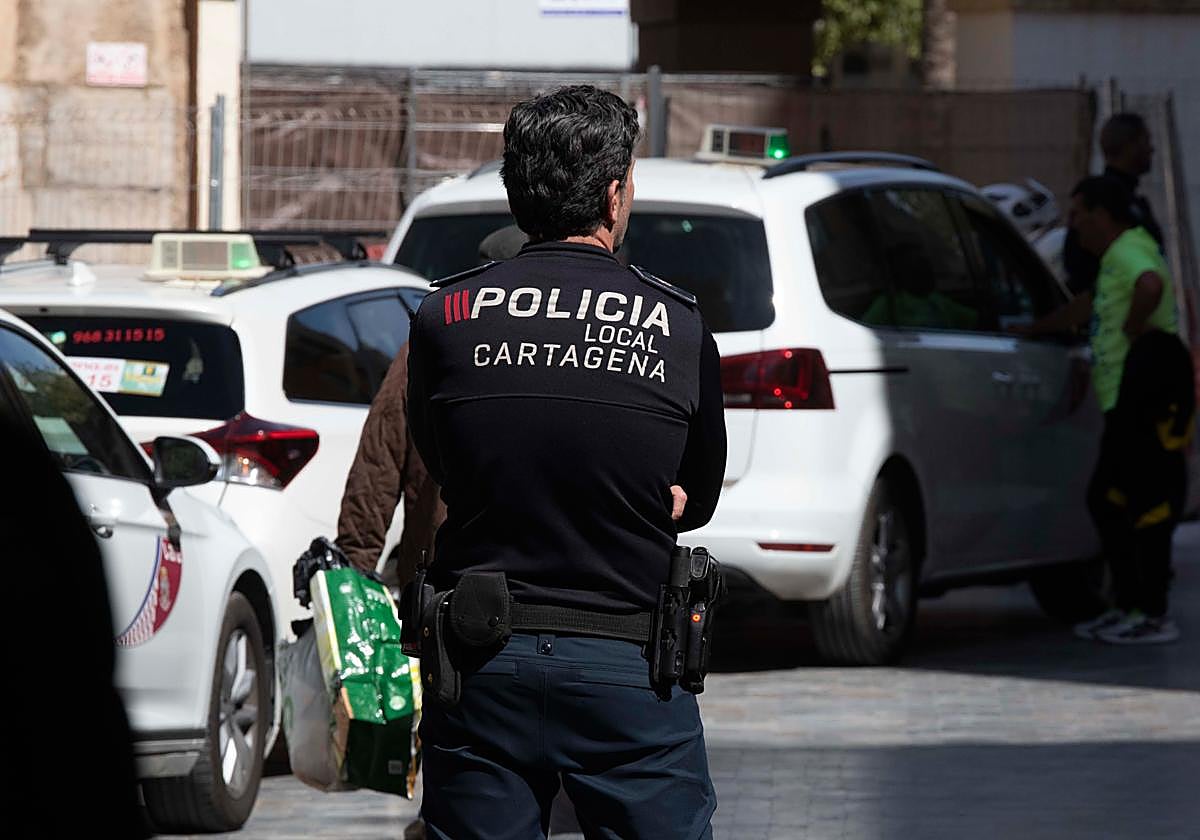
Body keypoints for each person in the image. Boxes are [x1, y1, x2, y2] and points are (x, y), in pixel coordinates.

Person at [406, 85, 727, 839]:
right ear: (614, 194)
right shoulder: (677, 326)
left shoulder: (443, 316)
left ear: (517, 195)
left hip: (482, 665)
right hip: (628, 667)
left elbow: (440, 459)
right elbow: (699, 494)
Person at [1027, 175, 1193, 645]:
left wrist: (1135, 324)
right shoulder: (1116, 258)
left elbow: (1149, 283)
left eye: (1079, 215)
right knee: (1112, 501)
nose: (1074, 226)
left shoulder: (1128, 252)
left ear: (1102, 215)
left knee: (1139, 505)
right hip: (1123, 401)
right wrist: (1036, 327)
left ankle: (1149, 611)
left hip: (1143, 399)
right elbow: (1087, 308)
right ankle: (1128, 604)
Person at [1063, 112, 1165, 296]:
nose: (1151, 149)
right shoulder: (1104, 196)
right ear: (1130, 146)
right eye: (1146, 141)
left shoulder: (1133, 201)